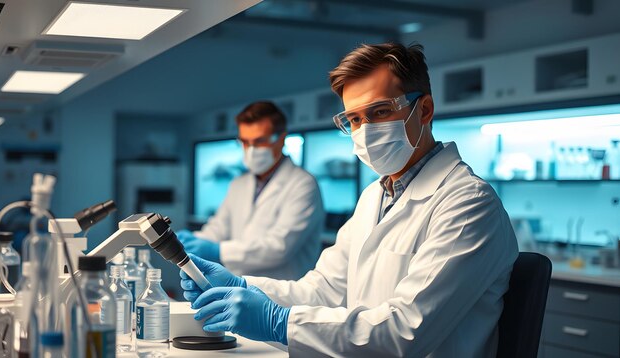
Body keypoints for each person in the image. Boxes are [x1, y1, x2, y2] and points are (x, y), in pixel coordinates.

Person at [180, 43, 519, 357]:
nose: (365, 130)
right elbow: (323, 291)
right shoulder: (375, 196)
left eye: (381, 111)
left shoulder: (468, 203)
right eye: (354, 119)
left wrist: (278, 323)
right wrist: (242, 285)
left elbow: (404, 332)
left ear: (425, 110)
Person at [178, 101, 324, 280]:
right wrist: (194, 241)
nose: (251, 150)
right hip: (240, 286)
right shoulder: (239, 183)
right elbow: (218, 228)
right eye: (245, 142)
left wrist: (218, 251)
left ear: (281, 138)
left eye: (260, 141)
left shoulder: (302, 184)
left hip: (283, 295)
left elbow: (279, 247)